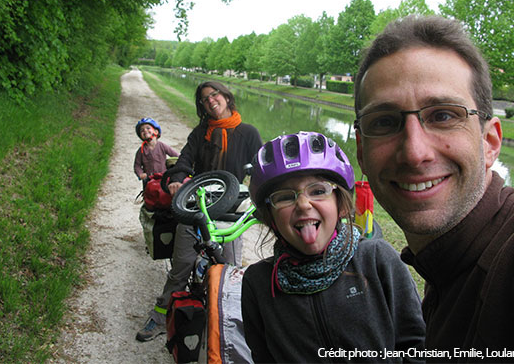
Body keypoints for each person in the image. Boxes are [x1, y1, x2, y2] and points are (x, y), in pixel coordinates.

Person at [354, 14, 514, 359]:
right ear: (361, 152)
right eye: (384, 121)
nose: (414, 152)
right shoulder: (442, 269)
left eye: (443, 115)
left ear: (489, 142)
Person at [242, 131, 426, 362]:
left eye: (318, 191)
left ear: (341, 205)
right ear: (271, 217)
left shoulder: (377, 260)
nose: (303, 204)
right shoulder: (258, 283)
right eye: (284, 197)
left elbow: (417, 347)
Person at [136, 81, 263, 342]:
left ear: (226, 97)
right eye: (205, 99)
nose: (211, 101)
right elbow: (184, 160)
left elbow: (262, 166)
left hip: (229, 213)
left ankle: (229, 326)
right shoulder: (200, 132)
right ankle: (160, 315)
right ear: (202, 106)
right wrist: (177, 178)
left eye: (215, 95)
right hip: (197, 206)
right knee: (181, 265)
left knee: (229, 270)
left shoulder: (247, 132)